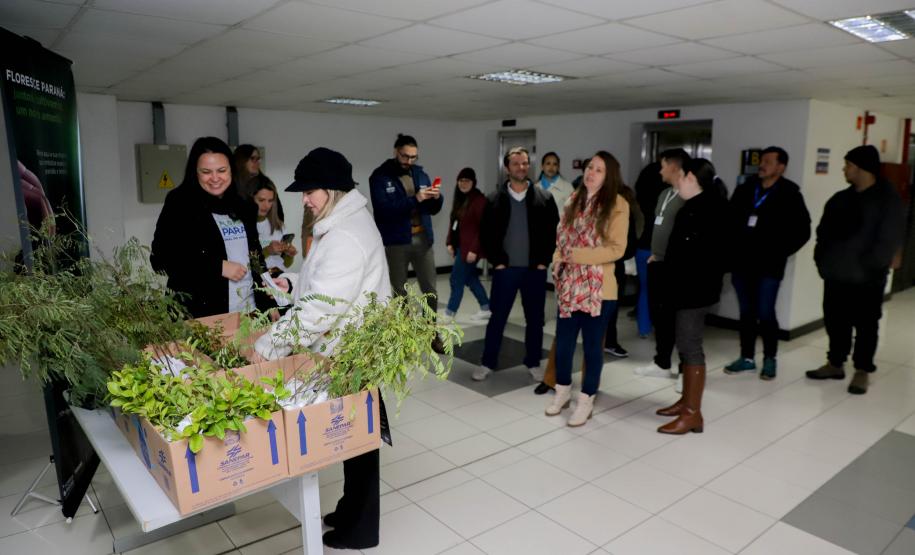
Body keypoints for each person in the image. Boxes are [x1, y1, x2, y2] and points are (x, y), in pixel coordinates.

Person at [252, 147, 391, 550]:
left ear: (332, 188)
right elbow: (328, 285)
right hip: (347, 348)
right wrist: (293, 283)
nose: (304, 200)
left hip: (352, 353)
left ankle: (361, 530)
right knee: (354, 438)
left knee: (360, 443)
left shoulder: (346, 234)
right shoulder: (341, 222)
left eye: (309, 191)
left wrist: (269, 345)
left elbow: (320, 311)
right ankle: (350, 511)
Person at [806, 145, 905, 395]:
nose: (844, 169)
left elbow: (888, 239)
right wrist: (822, 262)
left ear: (863, 168)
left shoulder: (887, 200)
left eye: (848, 165)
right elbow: (822, 233)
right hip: (836, 274)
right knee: (835, 321)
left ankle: (862, 370)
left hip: (867, 278)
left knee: (866, 325)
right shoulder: (840, 199)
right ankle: (835, 363)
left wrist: (871, 266)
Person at [546, 151, 629, 426]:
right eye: (590, 167)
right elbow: (560, 241)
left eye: (599, 170)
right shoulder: (573, 200)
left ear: (609, 176)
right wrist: (557, 260)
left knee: (593, 348)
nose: (591, 173)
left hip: (599, 289)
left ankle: (586, 401)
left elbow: (617, 249)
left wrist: (576, 256)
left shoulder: (618, 204)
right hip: (569, 286)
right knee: (564, 344)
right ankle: (562, 393)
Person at [150, 136, 275, 318]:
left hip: (249, 312)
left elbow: (256, 259)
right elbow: (160, 259)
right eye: (206, 172)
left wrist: (269, 301)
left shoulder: (244, 205)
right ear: (195, 172)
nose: (215, 178)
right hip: (202, 315)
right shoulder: (180, 203)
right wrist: (217, 267)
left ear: (231, 170)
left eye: (222, 170)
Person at [654, 158, 727, 434]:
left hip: (694, 292)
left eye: (682, 177)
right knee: (685, 346)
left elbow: (708, 258)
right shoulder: (692, 207)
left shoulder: (709, 210)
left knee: (690, 345)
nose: (678, 183)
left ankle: (692, 414)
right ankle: (686, 402)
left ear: (692, 179)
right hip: (683, 289)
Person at [725, 146, 810, 380]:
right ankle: (747, 358)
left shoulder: (790, 193)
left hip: (769, 266)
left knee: (765, 312)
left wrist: (780, 251)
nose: (761, 165)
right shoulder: (745, 189)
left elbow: (803, 230)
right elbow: (729, 221)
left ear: (781, 167)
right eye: (761, 161)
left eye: (768, 162)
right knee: (746, 313)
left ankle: (770, 358)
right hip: (742, 263)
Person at [476, 146, 559, 381]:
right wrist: (497, 262)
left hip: (534, 270)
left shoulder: (544, 198)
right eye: (516, 164)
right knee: (498, 318)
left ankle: (533, 362)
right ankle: (487, 362)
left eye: (524, 163)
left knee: (535, 319)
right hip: (505, 271)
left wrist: (544, 261)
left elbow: (554, 232)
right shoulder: (493, 199)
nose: (521, 168)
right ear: (507, 168)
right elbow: (486, 234)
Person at [369, 133, 445, 353]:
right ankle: (403, 338)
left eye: (413, 157)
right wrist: (415, 199)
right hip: (396, 242)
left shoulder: (420, 173)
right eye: (405, 156)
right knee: (399, 293)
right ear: (396, 152)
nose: (409, 161)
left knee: (430, 290)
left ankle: (432, 334)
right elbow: (384, 210)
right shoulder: (380, 176)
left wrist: (436, 197)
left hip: (422, 239)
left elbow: (432, 209)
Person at [633, 149, 690, 389]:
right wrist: (655, 254)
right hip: (657, 263)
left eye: (663, 166)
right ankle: (662, 363)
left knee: (682, 323)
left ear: (674, 167)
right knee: (661, 318)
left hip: (677, 267)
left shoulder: (689, 196)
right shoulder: (665, 193)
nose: (660, 170)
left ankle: (687, 370)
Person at [444, 167, 490, 322]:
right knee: (470, 279)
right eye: (461, 180)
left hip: (470, 250)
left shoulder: (479, 201)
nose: (463, 184)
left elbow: (483, 228)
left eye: (467, 181)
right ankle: (486, 307)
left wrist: (474, 250)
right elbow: (453, 223)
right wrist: (449, 242)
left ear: (473, 182)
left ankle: (449, 313)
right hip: (460, 247)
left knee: (456, 279)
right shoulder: (460, 199)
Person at [602, 182, 642, 358]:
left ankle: (606, 341)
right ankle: (606, 341)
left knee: (607, 306)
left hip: (608, 263)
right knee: (608, 306)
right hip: (609, 264)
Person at [633, 161, 666, 338]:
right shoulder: (667, 200)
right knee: (661, 291)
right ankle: (659, 327)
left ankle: (644, 328)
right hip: (659, 249)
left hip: (642, 247)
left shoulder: (639, 200)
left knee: (645, 289)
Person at [252, 175, 298, 276]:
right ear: (251, 199)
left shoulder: (279, 225)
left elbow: (286, 264)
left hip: (280, 277)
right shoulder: (244, 227)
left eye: (270, 201)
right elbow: (248, 264)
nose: (266, 206)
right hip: (260, 279)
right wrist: (268, 250)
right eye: (261, 200)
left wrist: (289, 255)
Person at [234, 144, 284, 219]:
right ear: (241, 160)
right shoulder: (231, 184)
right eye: (252, 158)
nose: (257, 162)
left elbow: (278, 214)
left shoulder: (265, 183)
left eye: (258, 159)